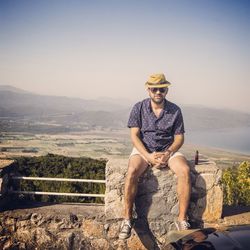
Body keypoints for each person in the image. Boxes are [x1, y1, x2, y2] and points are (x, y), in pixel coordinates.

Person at [119, 73, 191, 240]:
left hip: (168, 150)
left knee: (185, 171)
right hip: (144, 150)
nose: (158, 92)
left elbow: (179, 137)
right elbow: (134, 136)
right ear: (148, 90)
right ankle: (127, 219)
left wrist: (168, 153)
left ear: (166, 90)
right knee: (131, 172)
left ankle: (182, 220)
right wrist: (148, 156)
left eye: (162, 89)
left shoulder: (175, 110)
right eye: (154, 89)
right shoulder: (139, 107)